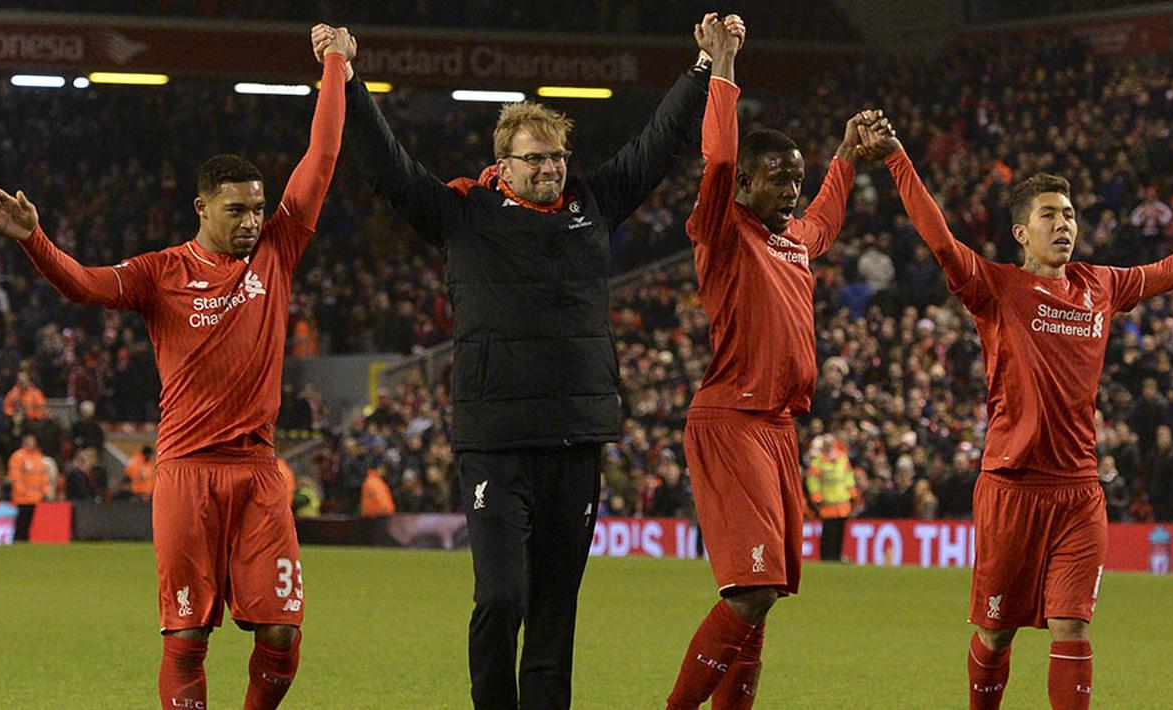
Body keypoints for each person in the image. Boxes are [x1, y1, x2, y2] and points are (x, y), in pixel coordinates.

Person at [323, 13, 721, 708]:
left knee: (553, 613)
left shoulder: (591, 205)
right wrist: (346, 78)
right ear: (502, 163)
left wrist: (702, 68)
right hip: (496, 445)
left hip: (574, 438)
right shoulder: (463, 214)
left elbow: (657, 147)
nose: (549, 168)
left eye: (556, 156)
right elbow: (386, 167)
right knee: (502, 596)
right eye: (533, 158)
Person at [0, 24, 353, 709]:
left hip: (258, 472)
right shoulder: (161, 272)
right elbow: (85, 285)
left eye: (256, 208)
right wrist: (34, 240)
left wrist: (336, 63)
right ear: (202, 206)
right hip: (185, 473)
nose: (250, 220)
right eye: (236, 209)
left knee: (280, 631)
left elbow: (322, 155)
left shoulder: (276, 250)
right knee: (188, 637)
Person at [870, 121, 1173, 709]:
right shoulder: (996, 287)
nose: (1064, 224)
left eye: (1068, 214)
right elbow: (940, 239)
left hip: (1079, 491)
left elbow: (1170, 270)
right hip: (1011, 488)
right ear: (1021, 232)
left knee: (1074, 628)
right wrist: (896, 159)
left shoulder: (1102, 286)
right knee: (995, 633)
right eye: (1049, 215)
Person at [665, 16, 877, 707]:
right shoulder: (722, 230)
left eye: (795, 178)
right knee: (751, 590)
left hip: (778, 427)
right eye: (776, 180)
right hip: (731, 418)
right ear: (744, 186)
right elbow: (719, 159)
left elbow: (822, 219)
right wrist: (722, 65)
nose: (789, 191)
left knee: (763, 597)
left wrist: (843, 156)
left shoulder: (792, 242)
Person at [805, 433, 859, 561]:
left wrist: (852, 493)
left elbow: (848, 476)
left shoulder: (842, 458)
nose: (829, 447)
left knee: (840, 531)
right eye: (826, 445)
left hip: (842, 502)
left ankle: (836, 555)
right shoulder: (817, 462)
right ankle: (826, 556)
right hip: (827, 502)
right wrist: (817, 498)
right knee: (828, 531)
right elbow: (813, 482)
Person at [7, 434, 48, 541]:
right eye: (29, 443)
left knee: (29, 521)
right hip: (22, 497)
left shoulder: (38, 456)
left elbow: (42, 475)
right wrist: (21, 491)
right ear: (24, 443)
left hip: (35, 496)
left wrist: (44, 491)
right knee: (21, 522)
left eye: (33, 443)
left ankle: (24, 540)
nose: (31, 445)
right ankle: (18, 539)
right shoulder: (18, 456)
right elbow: (15, 476)